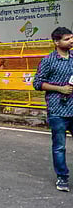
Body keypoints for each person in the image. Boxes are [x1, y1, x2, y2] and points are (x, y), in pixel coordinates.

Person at [33, 27, 73, 192]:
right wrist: (60, 89)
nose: (71, 41)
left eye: (72, 38)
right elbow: (37, 83)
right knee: (59, 147)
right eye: (67, 39)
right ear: (56, 42)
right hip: (57, 110)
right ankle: (62, 178)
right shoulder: (48, 61)